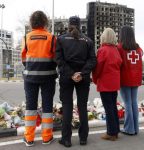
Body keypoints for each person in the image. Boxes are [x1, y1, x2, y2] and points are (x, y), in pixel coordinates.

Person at [56, 16, 96, 147]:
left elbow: (59, 61)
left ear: (69, 25)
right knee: (82, 107)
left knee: (67, 106)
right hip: (83, 78)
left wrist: (71, 74)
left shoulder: (61, 39)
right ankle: (83, 138)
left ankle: (66, 139)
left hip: (67, 78)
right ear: (80, 26)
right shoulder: (88, 40)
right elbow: (92, 61)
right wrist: (82, 73)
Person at [21, 11, 57, 147]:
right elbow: (55, 58)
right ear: (45, 22)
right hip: (48, 77)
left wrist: (31, 67)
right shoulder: (52, 38)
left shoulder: (26, 38)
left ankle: (29, 138)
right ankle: (47, 137)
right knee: (47, 106)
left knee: (30, 107)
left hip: (30, 77)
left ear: (32, 22)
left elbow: (23, 58)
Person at [92, 28, 122, 141]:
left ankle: (111, 133)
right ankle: (116, 130)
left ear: (104, 37)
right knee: (113, 107)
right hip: (114, 83)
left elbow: (98, 68)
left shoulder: (102, 50)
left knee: (108, 108)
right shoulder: (115, 50)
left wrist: (95, 79)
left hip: (105, 83)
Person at [117, 25, 143, 135]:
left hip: (125, 79)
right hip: (136, 78)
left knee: (127, 103)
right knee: (133, 102)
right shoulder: (138, 48)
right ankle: (135, 128)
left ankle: (129, 129)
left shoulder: (120, 47)